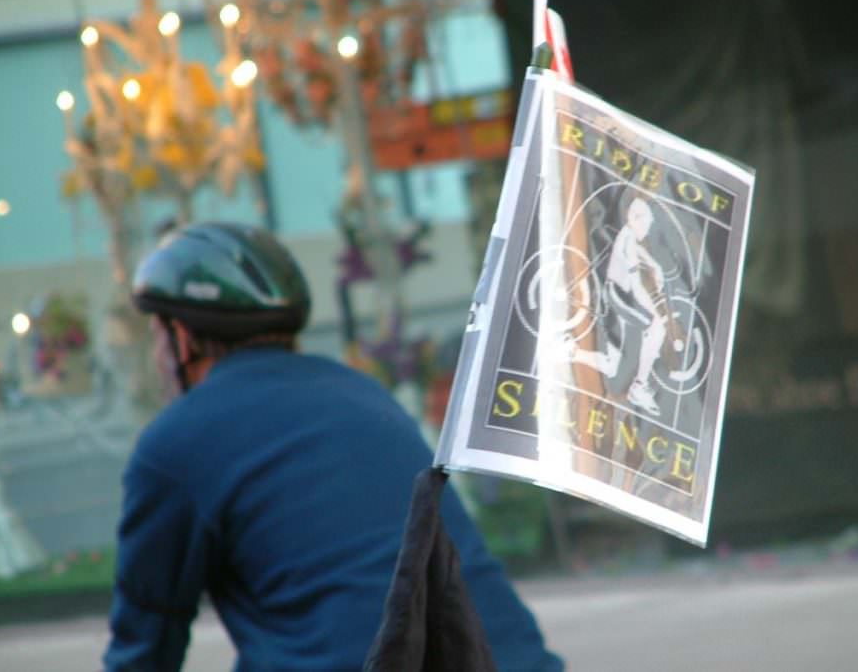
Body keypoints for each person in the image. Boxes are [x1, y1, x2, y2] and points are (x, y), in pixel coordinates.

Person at [103, 222, 562, 671]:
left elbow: (145, 644)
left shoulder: (175, 444)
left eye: (156, 338)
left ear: (180, 339)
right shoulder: (362, 395)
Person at [566, 197, 670, 416]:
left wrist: (653, 264)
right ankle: (639, 387)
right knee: (657, 328)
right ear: (635, 219)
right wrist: (653, 310)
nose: (648, 230)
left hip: (618, 295)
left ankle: (570, 351)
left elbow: (636, 251)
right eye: (647, 224)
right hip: (619, 296)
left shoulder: (628, 234)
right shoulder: (629, 240)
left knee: (614, 364)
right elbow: (636, 287)